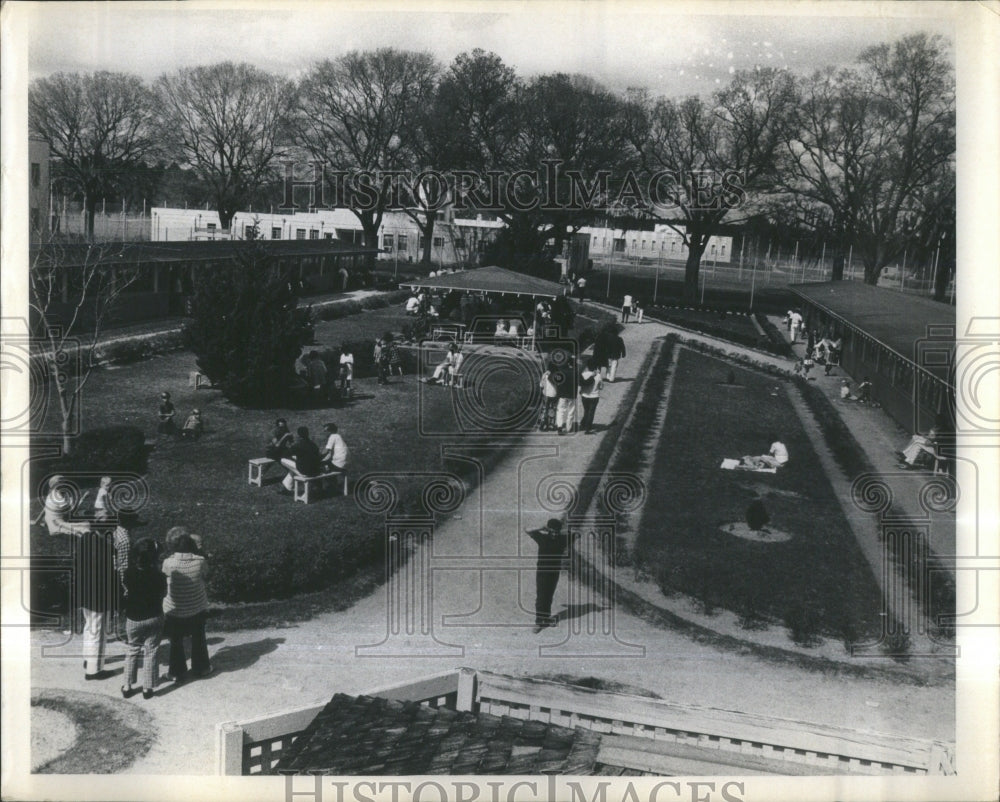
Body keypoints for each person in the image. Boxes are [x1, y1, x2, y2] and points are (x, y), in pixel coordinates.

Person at [121, 538, 167, 700]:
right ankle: (148, 688)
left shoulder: (129, 574)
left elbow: (126, 588)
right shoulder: (159, 576)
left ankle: (127, 686)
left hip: (134, 617)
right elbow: (164, 594)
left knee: (132, 649)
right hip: (154, 615)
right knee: (151, 651)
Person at [162, 533, 211, 682]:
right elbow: (207, 576)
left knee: (176, 641)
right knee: (199, 638)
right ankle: (202, 668)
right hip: (197, 607)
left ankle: (176, 672)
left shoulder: (168, 563)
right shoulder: (200, 560)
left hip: (175, 609)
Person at [74, 525, 116, 679]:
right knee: (98, 632)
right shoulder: (104, 548)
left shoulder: (84, 539)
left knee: (89, 627)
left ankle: (87, 659)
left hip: (84, 592)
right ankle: (94, 670)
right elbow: (109, 576)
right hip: (98, 596)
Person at [526, 519, 572, 632]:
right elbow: (527, 530)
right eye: (552, 531)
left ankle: (546, 618)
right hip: (542, 572)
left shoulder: (563, 540)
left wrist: (564, 529)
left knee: (549, 596)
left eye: (557, 531)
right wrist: (541, 527)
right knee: (541, 596)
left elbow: (578, 533)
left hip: (554, 572)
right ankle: (538, 622)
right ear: (548, 530)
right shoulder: (542, 538)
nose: (555, 534)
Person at [281, 427, 323, 493]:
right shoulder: (313, 444)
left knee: (283, 460)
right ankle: (287, 484)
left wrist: (291, 449)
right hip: (316, 470)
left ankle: (288, 484)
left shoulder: (298, 445)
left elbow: (285, 454)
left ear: (299, 435)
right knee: (294, 466)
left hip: (305, 471)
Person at [553, 353, 577, 435]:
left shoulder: (561, 372)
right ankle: (568, 427)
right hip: (572, 395)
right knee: (571, 411)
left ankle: (559, 426)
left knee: (560, 410)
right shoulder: (575, 372)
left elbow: (555, 380)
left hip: (562, 395)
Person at [579, 357, 603, 434]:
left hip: (585, 396)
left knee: (586, 410)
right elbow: (601, 387)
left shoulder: (583, 374)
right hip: (594, 396)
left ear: (587, 366)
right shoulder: (598, 375)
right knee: (591, 411)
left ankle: (583, 422)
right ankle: (588, 427)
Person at [538, 361, 559, 431]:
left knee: (545, 409)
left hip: (546, 394)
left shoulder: (545, 375)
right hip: (554, 394)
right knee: (553, 409)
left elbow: (541, 385)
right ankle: (552, 424)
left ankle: (543, 422)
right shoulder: (557, 375)